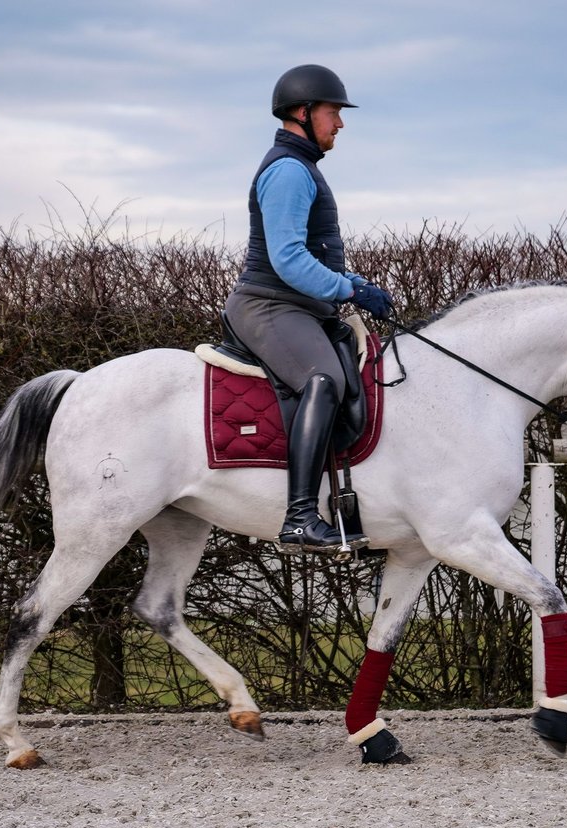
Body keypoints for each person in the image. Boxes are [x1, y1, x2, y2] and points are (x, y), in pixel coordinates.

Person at [223, 64, 395, 555]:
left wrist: (358, 283)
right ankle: (299, 518)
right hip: (268, 306)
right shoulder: (289, 171)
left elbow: (313, 254)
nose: (340, 123)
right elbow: (289, 258)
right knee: (324, 378)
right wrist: (350, 291)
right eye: (333, 112)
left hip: (299, 306)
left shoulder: (304, 168)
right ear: (303, 112)